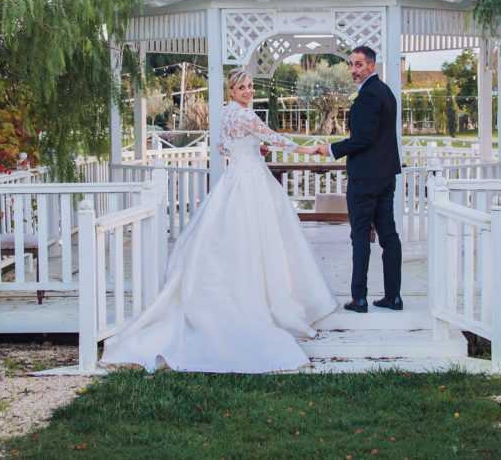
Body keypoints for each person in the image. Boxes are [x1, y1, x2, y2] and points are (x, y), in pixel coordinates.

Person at [100, 70, 338, 373]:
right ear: (231, 90)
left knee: (232, 239)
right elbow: (276, 139)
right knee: (261, 237)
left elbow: (224, 148)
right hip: (250, 181)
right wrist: (310, 149)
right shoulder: (246, 116)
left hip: (234, 177)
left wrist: (256, 147)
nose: (248, 91)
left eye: (251, 86)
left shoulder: (227, 115)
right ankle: (265, 300)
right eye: (242, 87)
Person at [313, 45, 403, 313]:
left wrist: (332, 149)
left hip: (365, 178)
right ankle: (393, 297)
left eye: (359, 65)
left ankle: (359, 298)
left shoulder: (367, 97)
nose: (353, 70)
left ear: (371, 66)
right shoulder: (386, 92)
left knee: (361, 235)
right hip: (387, 176)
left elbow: (363, 138)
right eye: (351, 65)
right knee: (389, 234)